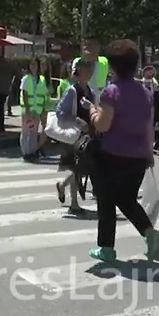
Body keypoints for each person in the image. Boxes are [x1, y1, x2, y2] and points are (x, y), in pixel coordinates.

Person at [87, 39, 159, 262]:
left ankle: (106, 248)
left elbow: (103, 125)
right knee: (127, 199)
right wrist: (149, 154)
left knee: (106, 201)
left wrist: (92, 111)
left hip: (112, 155)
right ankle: (150, 233)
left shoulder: (111, 92)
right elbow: (149, 127)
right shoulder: (145, 94)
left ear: (113, 66)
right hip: (139, 156)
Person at [55, 57, 95, 214]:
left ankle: (64, 187)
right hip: (73, 133)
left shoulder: (89, 91)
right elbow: (60, 111)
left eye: (91, 69)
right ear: (80, 72)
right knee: (76, 166)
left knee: (80, 167)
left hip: (85, 134)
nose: (90, 73)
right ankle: (74, 203)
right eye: (87, 69)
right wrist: (77, 120)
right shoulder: (72, 91)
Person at [19, 58, 49, 161]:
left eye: (35, 64)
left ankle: (32, 151)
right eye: (31, 64)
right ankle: (26, 152)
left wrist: (44, 109)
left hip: (37, 110)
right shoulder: (26, 78)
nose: (33, 67)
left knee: (33, 132)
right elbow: (25, 94)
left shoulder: (41, 79)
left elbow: (44, 95)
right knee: (26, 131)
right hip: (28, 109)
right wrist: (27, 111)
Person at [142, 65, 159, 154]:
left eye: (151, 70)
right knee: (149, 128)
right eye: (148, 71)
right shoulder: (144, 82)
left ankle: (158, 144)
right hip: (151, 108)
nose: (150, 72)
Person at [73, 37, 109, 104]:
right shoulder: (78, 61)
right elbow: (74, 79)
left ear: (98, 47)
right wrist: (85, 60)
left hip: (100, 98)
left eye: (91, 45)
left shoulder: (104, 61)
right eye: (85, 44)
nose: (87, 47)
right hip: (83, 97)